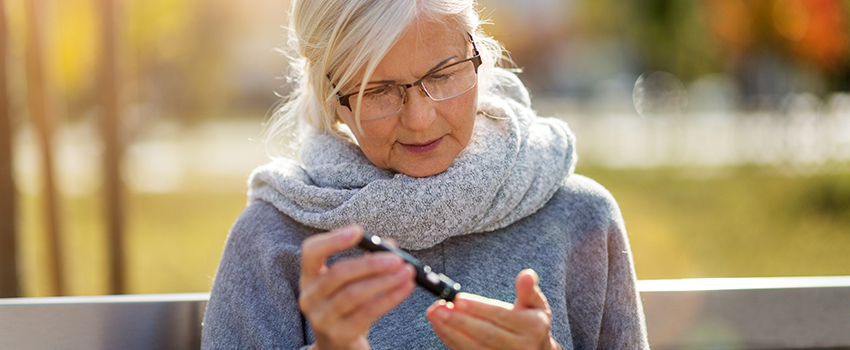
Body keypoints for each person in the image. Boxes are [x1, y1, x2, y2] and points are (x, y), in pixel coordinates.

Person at [201, 0, 649, 348]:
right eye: (378, 90)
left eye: (444, 74)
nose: (419, 119)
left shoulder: (582, 218)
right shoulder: (271, 241)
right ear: (332, 98)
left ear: (478, 56)